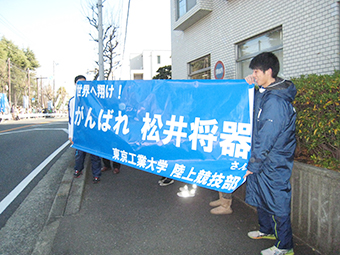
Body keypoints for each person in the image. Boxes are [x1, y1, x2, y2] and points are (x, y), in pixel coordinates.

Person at [244, 52, 296, 255]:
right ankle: (266, 230)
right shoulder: (265, 92)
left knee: (277, 200)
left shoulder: (276, 101)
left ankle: (285, 246)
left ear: (269, 71)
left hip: (274, 161)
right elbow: (253, 107)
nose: (254, 74)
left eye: (256, 71)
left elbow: (266, 136)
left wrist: (253, 164)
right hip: (265, 159)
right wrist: (250, 86)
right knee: (262, 196)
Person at [68, 75, 102, 184]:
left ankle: (96, 175)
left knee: (95, 155)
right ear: (75, 85)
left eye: (84, 83)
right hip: (79, 133)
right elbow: (71, 119)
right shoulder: (73, 101)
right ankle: (78, 169)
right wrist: (71, 134)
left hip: (92, 132)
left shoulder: (92, 100)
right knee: (79, 153)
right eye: (79, 83)